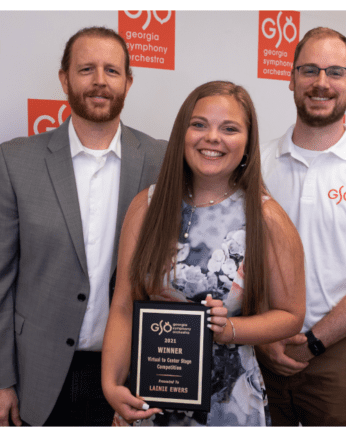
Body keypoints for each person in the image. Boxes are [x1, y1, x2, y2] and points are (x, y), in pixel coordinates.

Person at [0, 26, 166, 426]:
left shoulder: (162, 162)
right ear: (64, 79)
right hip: (38, 378)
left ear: (128, 82)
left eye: (112, 71)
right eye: (86, 69)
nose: (100, 81)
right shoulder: (17, 161)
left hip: (134, 378)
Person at [101, 80, 306, 426]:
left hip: (231, 406)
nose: (212, 137)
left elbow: (291, 315)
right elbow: (123, 305)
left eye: (229, 128)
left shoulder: (266, 217)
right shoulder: (146, 207)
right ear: (182, 132)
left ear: (248, 142)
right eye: (199, 124)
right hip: (153, 399)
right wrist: (111, 384)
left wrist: (232, 330)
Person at [257, 27, 346, 426]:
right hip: (260, 345)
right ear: (291, 78)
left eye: (336, 72)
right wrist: (264, 335)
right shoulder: (258, 165)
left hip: (337, 352)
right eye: (310, 70)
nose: (322, 83)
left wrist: (313, 343)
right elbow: (238, 258)